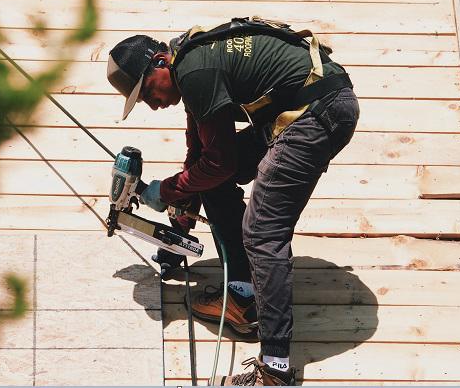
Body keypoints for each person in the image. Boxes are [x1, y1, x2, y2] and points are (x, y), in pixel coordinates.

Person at [106, 22, 359, 386]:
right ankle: (243, 295)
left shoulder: (195, 72)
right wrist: (181, 215)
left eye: (147, 91)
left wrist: (165, 192)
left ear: (160, 61)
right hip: (306, 106)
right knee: (212, 180)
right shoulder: (190, 63)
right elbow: (202, 157)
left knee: (263, 233)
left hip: (319, 111)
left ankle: (274, 371)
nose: (153, 104)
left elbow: (219, 163)